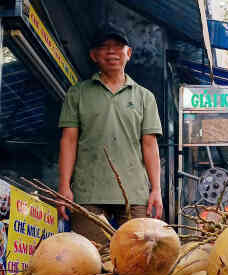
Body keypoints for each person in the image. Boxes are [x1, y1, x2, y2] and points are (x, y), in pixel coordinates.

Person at [57, 22, 163, 244]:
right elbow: (69, 140)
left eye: (118, 46)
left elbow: (150, 145)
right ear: (94, 55)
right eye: (104, 46)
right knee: (91, 261)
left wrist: (156, 189)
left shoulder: (145, 97)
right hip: (88, 193)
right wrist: (64, 187)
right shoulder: (77, 94)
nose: (112, 51)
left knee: (137, 260)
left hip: (135, 194)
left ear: (129, 53)